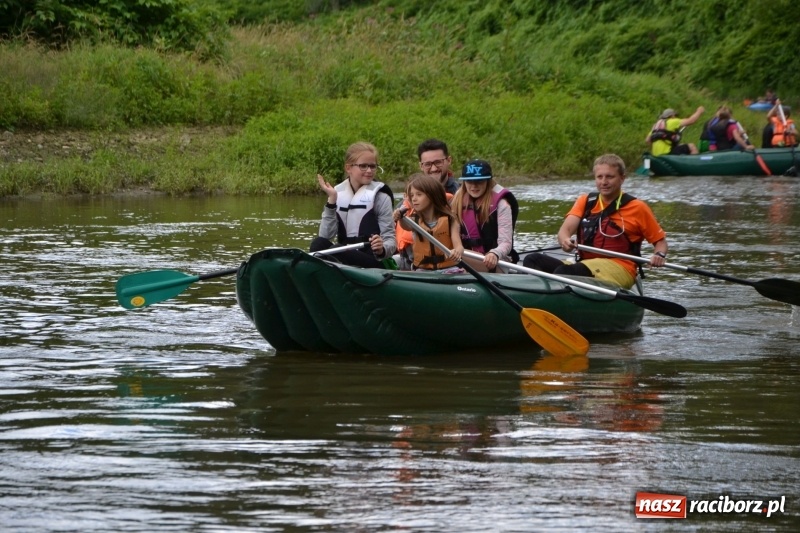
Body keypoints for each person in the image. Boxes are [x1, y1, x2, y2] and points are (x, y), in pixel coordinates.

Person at [522, 154, 668, 290]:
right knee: (532, 260)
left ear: (622, 178)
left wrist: (659, 255)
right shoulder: (586, 201)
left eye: (610, 177)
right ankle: (537, 296)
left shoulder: (638, 207)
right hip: (585, 264)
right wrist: (565, 241)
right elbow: (564, 231)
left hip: (620, 267)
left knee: (564, 272)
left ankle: (553, 297)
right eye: (599, 177)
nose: (604, 182)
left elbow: (660, 243)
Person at [311, 141, 396, 268]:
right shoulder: (337, 193)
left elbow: (390, 238)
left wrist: (381, 248)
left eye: (373, 166)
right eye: (363, 166)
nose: (369, 170)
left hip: (373, 259)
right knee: (318, 244)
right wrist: (332, 202)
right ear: (348, 168)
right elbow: (326, 235)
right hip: (344, 253)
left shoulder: (381, 197)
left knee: (338, 250)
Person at [392, 139, 458, 269]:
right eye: (428, 164)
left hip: (450, 263)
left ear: (448, 160)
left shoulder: (460, 196)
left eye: (438, 162)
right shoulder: (405, 205)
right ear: (421, 166)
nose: (433, 168)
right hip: (416, 263)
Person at [451, 159, 519, 272]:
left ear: (488, 181)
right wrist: (457, 248)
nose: (474, 186)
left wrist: (495, 253)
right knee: (448, 251)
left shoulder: (502, 205)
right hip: (468, 256)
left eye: (479, 181)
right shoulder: (457, 201)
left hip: (497, 262)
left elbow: (506, 243)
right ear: (464, 182)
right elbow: (454, 231)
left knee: (455, 254)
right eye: (469, 181)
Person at [403, 174, 464, 271]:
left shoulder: (450, 220)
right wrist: (399, 218)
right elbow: (405, 226)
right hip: (423, 270)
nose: (414, 199)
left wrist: (456, 252)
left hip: (449, 269)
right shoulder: (414, 221)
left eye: (419, 194)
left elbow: (459, 247)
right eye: (412, 195)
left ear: (432, 195)